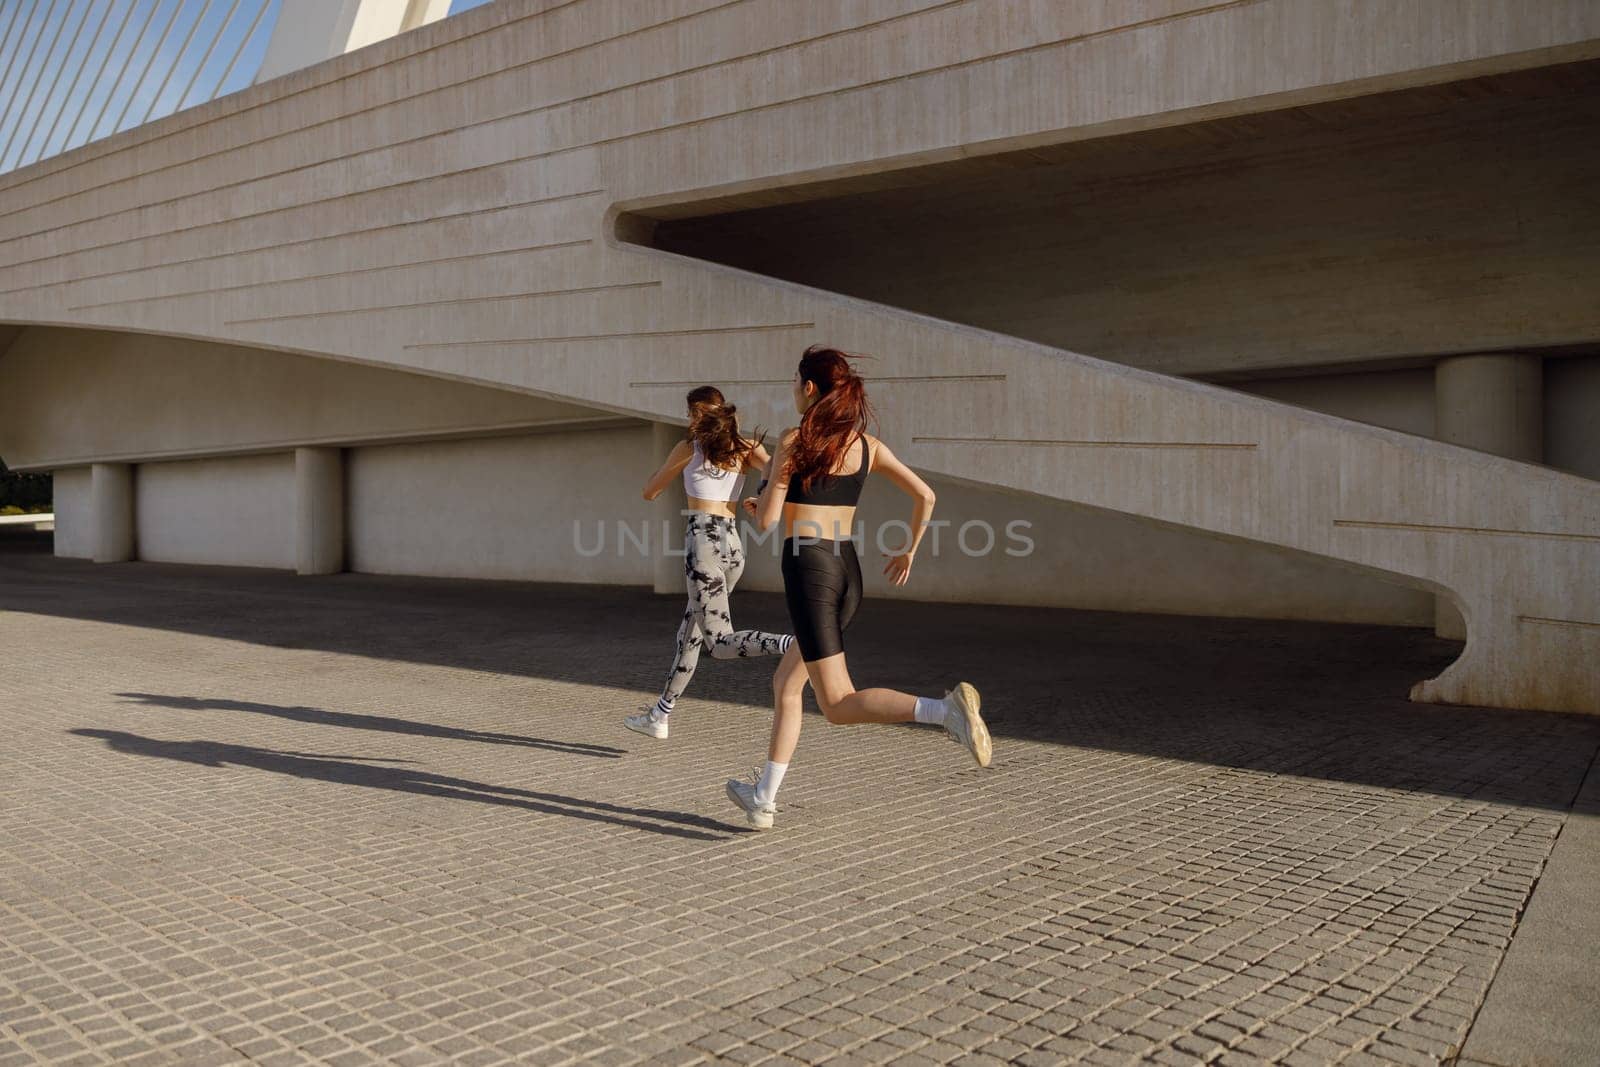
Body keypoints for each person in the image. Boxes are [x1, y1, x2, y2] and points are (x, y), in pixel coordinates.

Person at [725, 346, 991, 829]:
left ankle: (943, 711)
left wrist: (760, 496)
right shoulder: (867, 446)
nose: (793, 391)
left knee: (839, 704)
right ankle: (763, 798)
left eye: (795, 383)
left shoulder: (793, 440)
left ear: (809, 389)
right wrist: (909, 549)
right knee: (786, 683)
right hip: (846, 570)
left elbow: (766, 521)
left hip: (809, 571)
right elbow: (926, 495)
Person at [626, 386, 793, 740]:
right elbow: (778, 471)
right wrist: (761, 495)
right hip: (733, 545)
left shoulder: (688, 447)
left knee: (718, 641)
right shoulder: (746, 448)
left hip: (703, 542)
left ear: (698, 414)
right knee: (689, 635)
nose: (688, 420)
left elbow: (650, 491)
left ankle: (791, 645)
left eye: (690, 414)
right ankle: (661, 713)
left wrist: (675, 466)